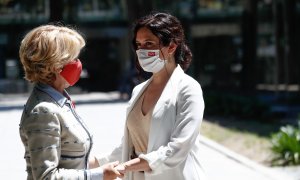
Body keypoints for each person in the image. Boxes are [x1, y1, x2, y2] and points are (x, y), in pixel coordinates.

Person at [96, 12, 206, 180]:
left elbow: (178, 148)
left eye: (149, 43)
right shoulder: (138, 90)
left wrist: (126, 166)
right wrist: (91, 163)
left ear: (171, 47)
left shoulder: (188, 89)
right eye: (139, 45)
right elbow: (129, 145)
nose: (142, 51)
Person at [18, 24, 123, 180]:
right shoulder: (44, 111)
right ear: (55, 64)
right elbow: (47, 176)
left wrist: (118, 156)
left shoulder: (59, 101)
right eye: (74, 58)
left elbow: (73, 162)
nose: (78, 63)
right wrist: (100, 175)